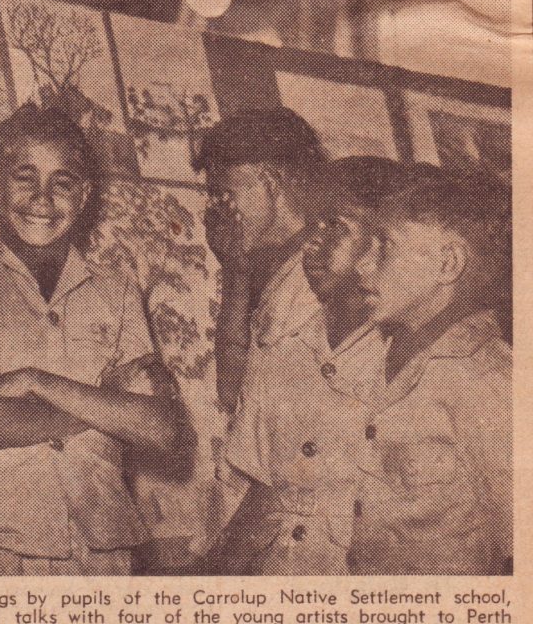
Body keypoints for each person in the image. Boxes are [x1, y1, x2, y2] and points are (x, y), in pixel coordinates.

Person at [0, 104, 178, 575]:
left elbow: (162, 428)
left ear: (85, 193)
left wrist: (39, 382)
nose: (43, 199)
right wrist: (109, 407)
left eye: (63, 182)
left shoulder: (117, 288)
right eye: (25, 177)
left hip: (103, 550)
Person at [215, 156, 411, 574]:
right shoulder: (287, 350)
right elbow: (265, 491)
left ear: (385, 246)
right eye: (314, 225)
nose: (311, 243)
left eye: (335, 225)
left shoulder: (409, 367)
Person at [346, 167, 511, 574]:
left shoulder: (486, 379)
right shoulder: (382, 359)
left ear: (448, 263)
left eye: (384, 246)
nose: (362, 266)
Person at [194, 108, 327, 415]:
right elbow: (232, 393)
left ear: (270, 182)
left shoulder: (328, 265)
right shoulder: (261, 266)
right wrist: (234, 271)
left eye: (225, 194)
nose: (216, 211)